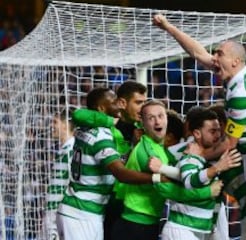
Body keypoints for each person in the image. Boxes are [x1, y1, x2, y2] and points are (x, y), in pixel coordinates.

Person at [153, 14, 246, 240]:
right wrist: (168, 27)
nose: (214, 57)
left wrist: (199, 153)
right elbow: (197, 53)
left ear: (235, 61)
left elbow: (229, 144)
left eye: (219, 54)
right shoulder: (235, 75)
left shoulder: (241, 96)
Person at [56, 88, 164, 240]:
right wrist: (157, 178)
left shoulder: (86, 128)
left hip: (85, 210)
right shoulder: (102, 135)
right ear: (101, 108)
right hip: (82, 212)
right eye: (114, 102)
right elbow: (120, 172)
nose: (118, 106)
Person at [112, 100, 224, 240]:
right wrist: (207, 192)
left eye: (161, 116)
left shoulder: (162, 149)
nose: (157, 122)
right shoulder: (149, 152)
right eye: (151, 118)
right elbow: (167, 188)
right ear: (142, 123)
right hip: (135, 223)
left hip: (147, 221)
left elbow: (180, 178)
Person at [150, 106, 241, 240]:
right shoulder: (179, 153)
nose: (219, 135)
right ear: (196, 132)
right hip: (183, 224)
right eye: (213, 131)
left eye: (220, 129)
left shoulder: (225, 154)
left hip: (210, 222)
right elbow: (162, 184)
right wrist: (207, 191)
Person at [71, 80, 147, 239]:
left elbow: (124, 161)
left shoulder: (142, 128)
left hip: (132, 202)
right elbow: (78, 114)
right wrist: (114, 121)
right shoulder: (106, 127)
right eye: (138, 103)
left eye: (144, 102)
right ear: (122, 103)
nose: (143, 107)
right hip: (106, 201)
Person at [45, 108, 75, 240]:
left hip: (62, 215)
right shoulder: (65, 149)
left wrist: (51, 216)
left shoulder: (71, 151)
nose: (52, 126)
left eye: (55, 122)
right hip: (57, 213)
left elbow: (63, 186)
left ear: (66, 125)